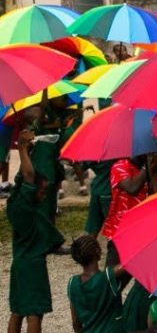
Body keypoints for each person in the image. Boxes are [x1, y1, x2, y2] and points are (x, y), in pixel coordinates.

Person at [7, 130, 64, 333]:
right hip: (33, 265)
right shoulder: (26, 206)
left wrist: (27, 153)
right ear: (32, 191)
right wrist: (21, 147)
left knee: (17, 310)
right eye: (42, 191)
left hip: (19, 262)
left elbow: (24, 175)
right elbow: (30, 176)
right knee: (34, 314)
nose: (43, 196)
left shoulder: (15, 203)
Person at [102, 154, 157, 266]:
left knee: (146, 277)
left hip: (148, 230)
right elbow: (132, 188)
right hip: (121, 231)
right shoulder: (119, 166)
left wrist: (153, 176)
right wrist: (147, 168)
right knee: (113, 279)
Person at [68, 235, 129, 333]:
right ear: (97, 251)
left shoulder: (72, 283)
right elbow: (129, 262)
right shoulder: (107, 278)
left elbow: (75, 322)